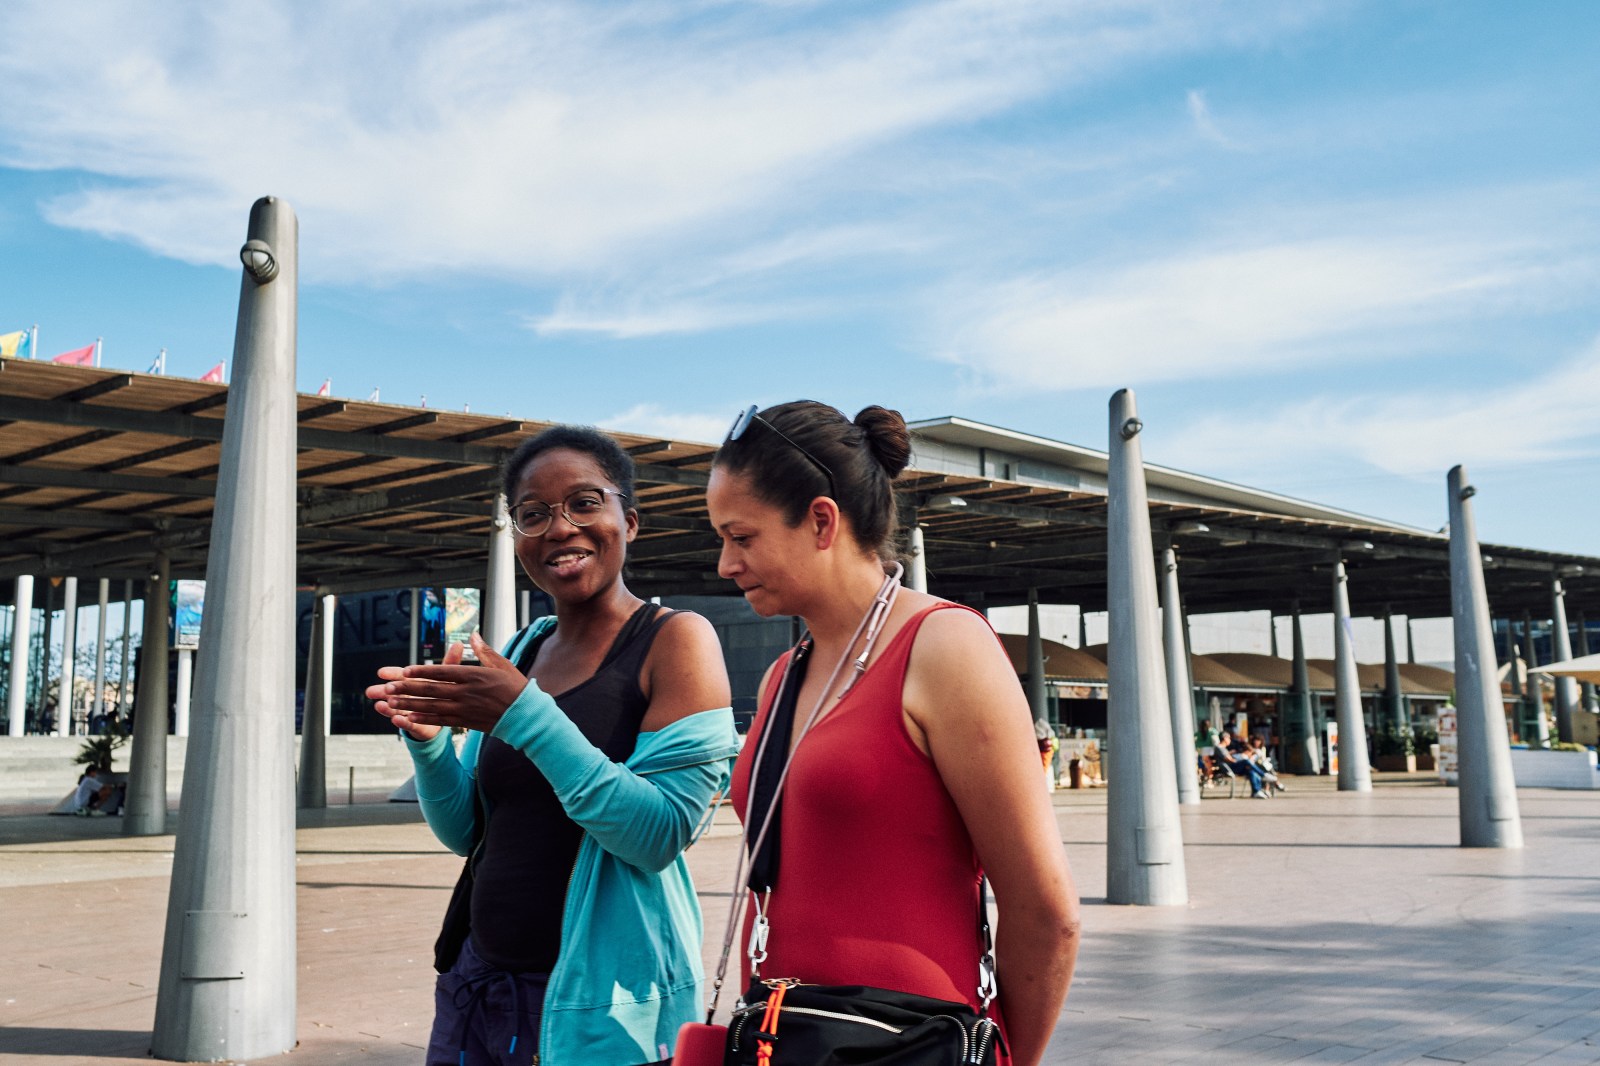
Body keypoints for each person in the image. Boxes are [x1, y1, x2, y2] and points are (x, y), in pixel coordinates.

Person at [707, 400, 1080, 1066]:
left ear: (822, 521)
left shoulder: (944, 648)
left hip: (912, 1045)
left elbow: (1044, 912)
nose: (725, 564)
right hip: (784, 1042)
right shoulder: (780, 678)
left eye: (742, 537)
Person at [368, 425, 738, 1066]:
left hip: (599, 1010)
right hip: (474, 985)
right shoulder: (523, 648)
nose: (560, 528)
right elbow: (472, 832)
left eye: (585, 503)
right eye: (533, 514)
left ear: (630, 520)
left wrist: (524, 715)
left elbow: (658, 835)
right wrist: (430, 747)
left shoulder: (677, 640)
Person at [1211, 730, 1270, 798]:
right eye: (1229, 738)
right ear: (1225, 738)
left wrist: (1233, 754)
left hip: (1232, 767)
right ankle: (1263, 775)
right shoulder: (1219, 748)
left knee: (1251, 771)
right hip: (1229, 769)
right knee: (1246, 761)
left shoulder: (1223, 748)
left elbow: (1228, 757)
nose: (1230, 740)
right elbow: (1230, 760)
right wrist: (1240, 757)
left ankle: (1256, 791)